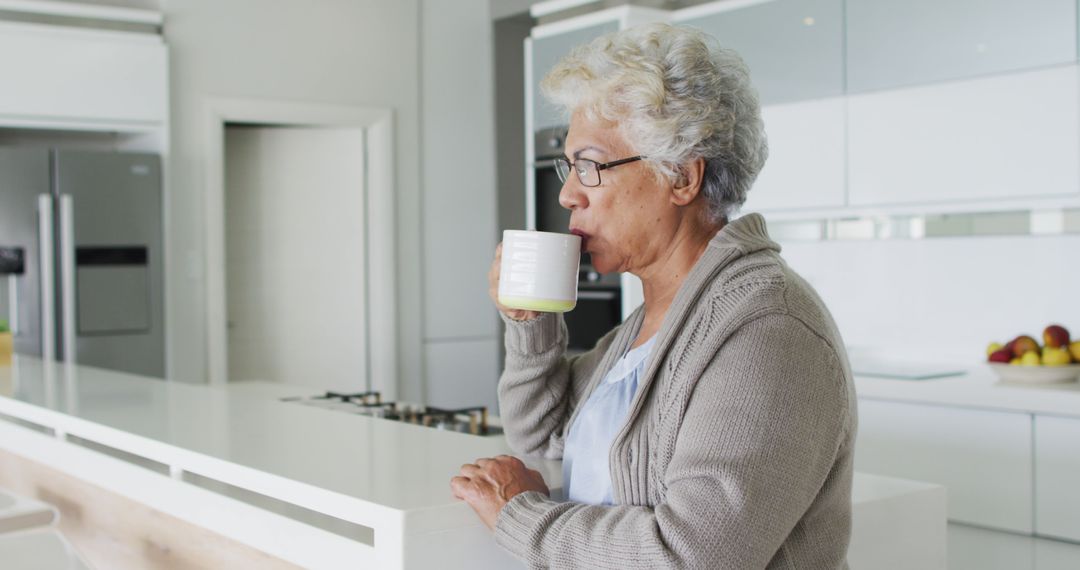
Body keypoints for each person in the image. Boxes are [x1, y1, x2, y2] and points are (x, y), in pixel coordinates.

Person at [450, 22, 856, 569]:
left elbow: (689, 556)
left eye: (590, 166)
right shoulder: (647, 324)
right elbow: (543, 438)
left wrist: (518, 515)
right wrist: (531, 320)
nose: (569, 193)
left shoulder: (769, 329)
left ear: (682, 177)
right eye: (568, 167)